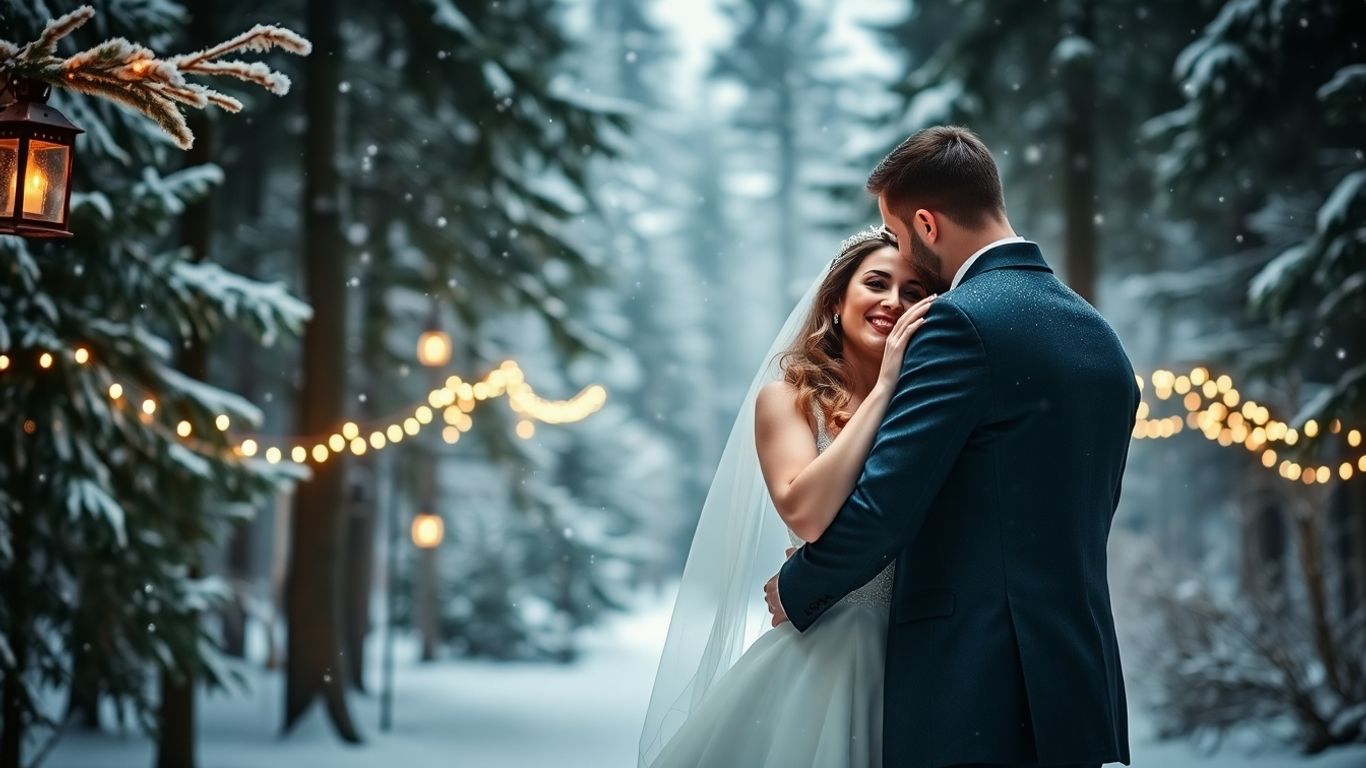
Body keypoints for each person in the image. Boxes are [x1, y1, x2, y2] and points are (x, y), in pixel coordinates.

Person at [765, 125, 1137, 768]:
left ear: (928, 225)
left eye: (900, 233)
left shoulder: (959, 323)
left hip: (974, 683)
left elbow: (886, 504)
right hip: (1080, 680)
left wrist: (801, 586)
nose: (903, 254)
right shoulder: (1102, 339)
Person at [639, 225, 939, 767]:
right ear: (836, 301)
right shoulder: (788, 400)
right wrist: (885, 386)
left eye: (913, 292)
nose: (893, 302)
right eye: (876, 283)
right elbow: (807, 513)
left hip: (917, 659)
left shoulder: (932, 408)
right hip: (825, 649)